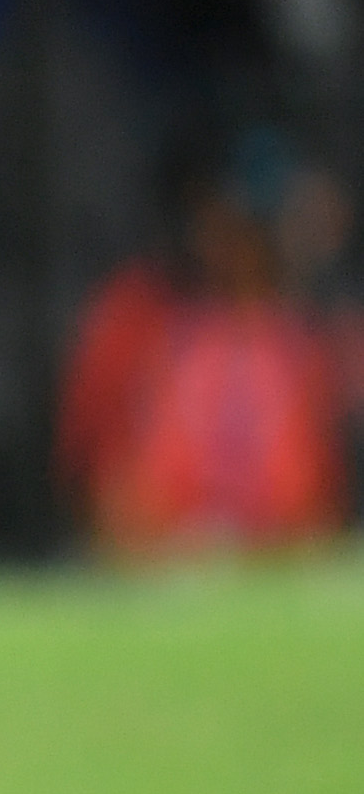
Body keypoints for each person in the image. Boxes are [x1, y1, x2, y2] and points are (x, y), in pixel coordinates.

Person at [57, 127, 355, 552]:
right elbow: (94, 480)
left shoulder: (314, 328)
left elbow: (327, 501)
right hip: (157, 570)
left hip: (286, 571)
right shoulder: (136, 314)